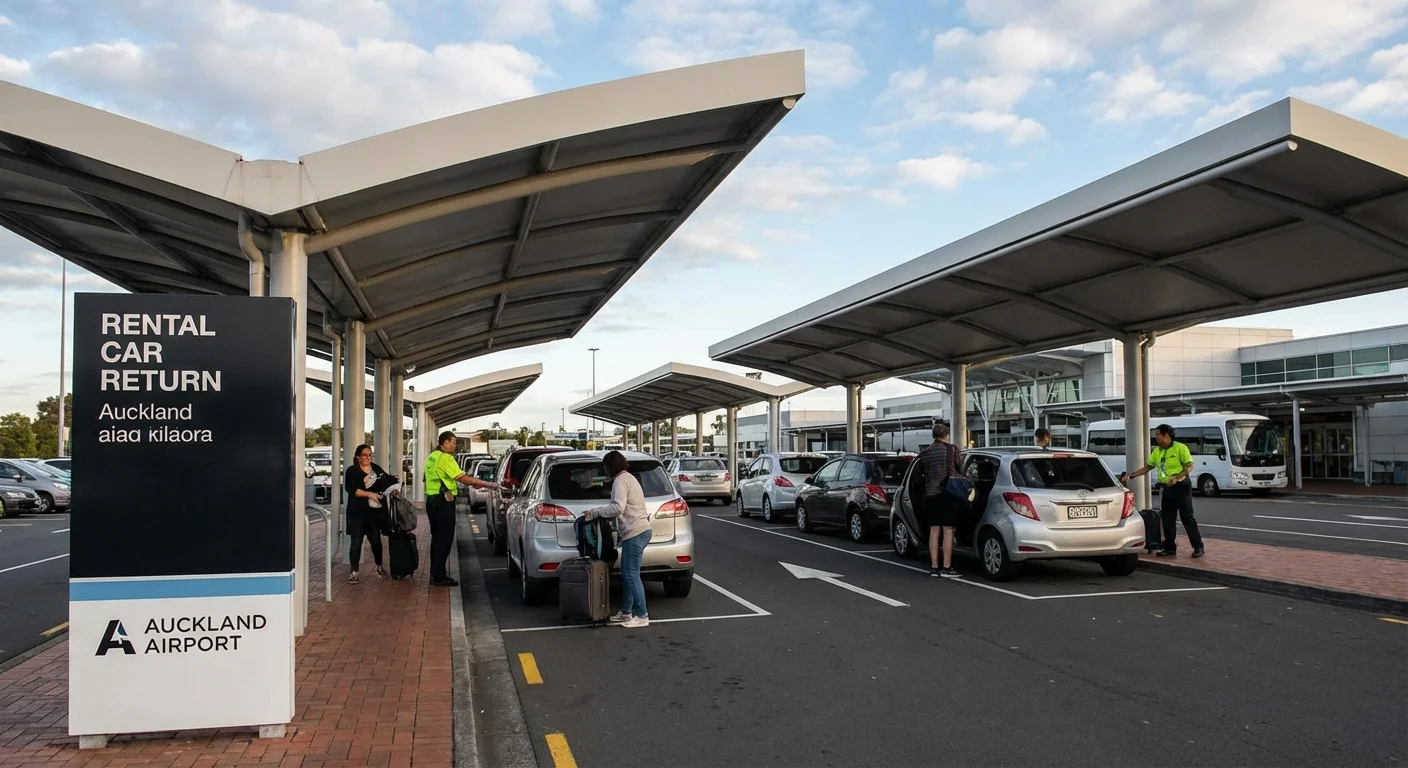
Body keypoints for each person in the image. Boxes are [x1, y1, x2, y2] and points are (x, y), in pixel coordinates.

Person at [584, 451, 651, 628]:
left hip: (635, 531)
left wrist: (595, 512)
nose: (605, 470)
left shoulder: (620, 481)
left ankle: (642, 615)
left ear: (611, 465)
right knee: (629, 574)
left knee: (630, 574)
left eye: (606, 466)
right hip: (640, 530)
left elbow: (618, 507)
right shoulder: (628, 478)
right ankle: (626, 613)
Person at [425, 432, 498, 587]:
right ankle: (439, 576)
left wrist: (472, 483)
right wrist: (487, 484)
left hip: (431, 501)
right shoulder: (446, 458)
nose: (454, 445)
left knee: (437, 539)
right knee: (445, 540)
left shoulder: (432, 456)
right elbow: (461, 477)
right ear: (444, 443)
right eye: (452, 442)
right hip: (443, 502)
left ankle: (435, 572)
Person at [1120, 424, 1205, 558]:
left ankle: (1198, 546)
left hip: (1181, 487)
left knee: (1187, 517)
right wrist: (1131, 475)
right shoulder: (1157, 451)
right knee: (1167, 519)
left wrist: (1177, 478)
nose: (1156, 437)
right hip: (1166, 488)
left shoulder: (1180, 448)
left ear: (1167, 435)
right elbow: (1148, 467)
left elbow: (1189, 466)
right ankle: (1170, 547)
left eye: (1158, 434)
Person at [916, 423, 965, 579]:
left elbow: (921, 473)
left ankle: (934, 567)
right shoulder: (951, 449)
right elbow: (957, 467)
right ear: (946, 435)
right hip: (947, 493)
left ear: (933, 436)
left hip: (931, 494)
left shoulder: (925, 453)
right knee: (948, 530)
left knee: (934, 530)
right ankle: (947, 567)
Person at [343, 444, 387, 584]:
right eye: (364, 455)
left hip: (373, 513)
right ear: (358, 456)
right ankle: (354, 572)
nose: (368, 457)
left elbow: (385, 482)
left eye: (370, 454)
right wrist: (369, 494)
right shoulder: (352, 471)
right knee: (356, 542)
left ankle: (379, 566)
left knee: (376, 541)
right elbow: (352, 490)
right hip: (357, 512)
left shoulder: (376, 469)